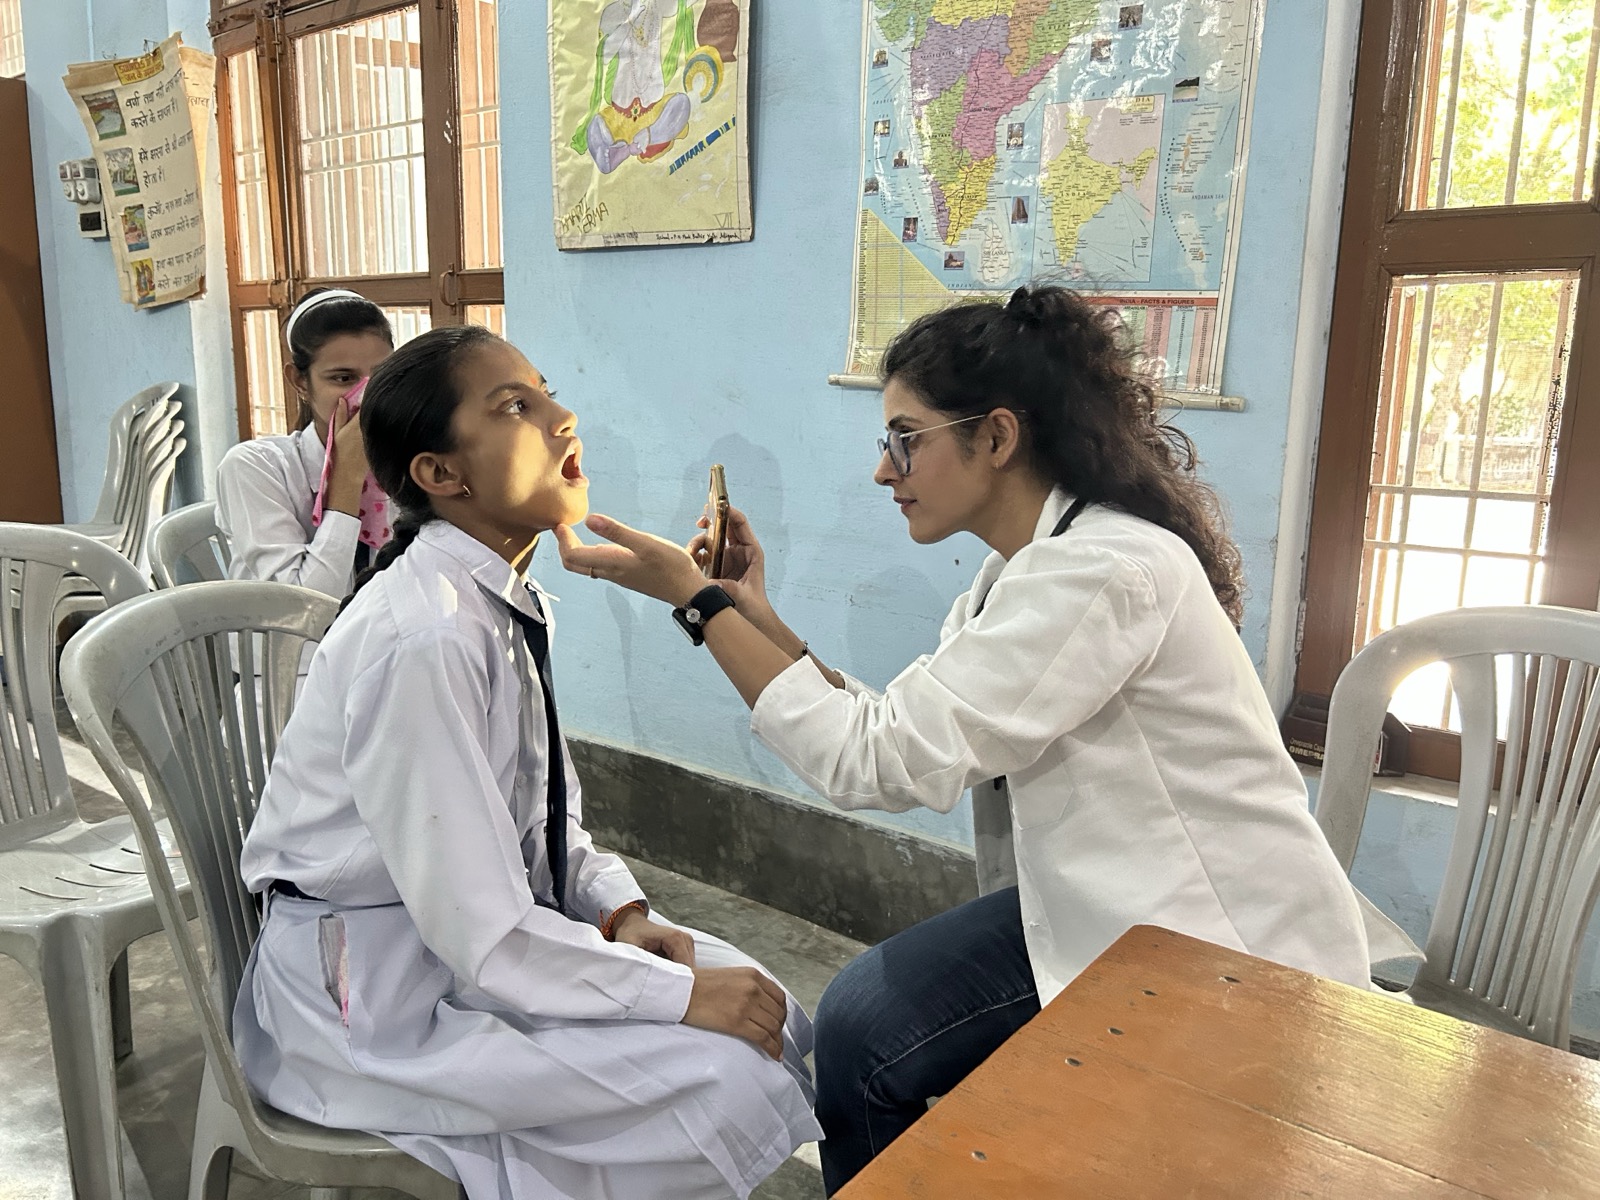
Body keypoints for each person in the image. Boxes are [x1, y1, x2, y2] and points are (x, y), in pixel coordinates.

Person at [554, 286, 1376, 1193]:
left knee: (870, 1039)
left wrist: (700, 604)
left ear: (996, 437)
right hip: (1102, 907)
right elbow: (898, 722)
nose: (884, 471)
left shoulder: (1102, 570)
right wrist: (753, 615)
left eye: (905, 439)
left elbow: (873, 762)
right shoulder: (1018, 571)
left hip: (1215, 948)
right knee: (864, 1024)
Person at [232, 325, 820, 1200]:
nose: (562, 418)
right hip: (373, 995)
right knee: (729, 1074)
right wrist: (672, 996)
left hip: (460, 942)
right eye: (516, 406)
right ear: (441, 474)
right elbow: (480, 926)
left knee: (772, 1009)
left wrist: (618, 909)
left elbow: (542, 819)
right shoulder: (424, 637)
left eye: (546, 393)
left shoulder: (494, 601)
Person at [216, 288, 395, 597]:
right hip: (284, 629)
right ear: (299, 381)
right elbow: (306, 606)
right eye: (343, 378)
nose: (367, 396)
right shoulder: (254, 466)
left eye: (381, 377)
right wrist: (347, 476)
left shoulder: (402, 462)